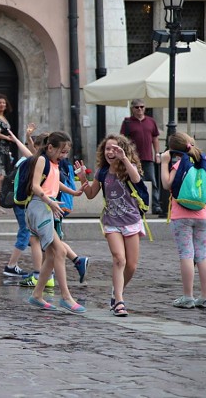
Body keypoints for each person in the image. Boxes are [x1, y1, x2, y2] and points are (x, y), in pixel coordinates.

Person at [160, 132, 206, 309]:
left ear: (174, 149)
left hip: (181, 215)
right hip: (203, 214)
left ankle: (188, 296)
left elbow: (166, 184)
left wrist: (163, 163)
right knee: (201, 255)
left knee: (186, 254)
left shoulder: (179, 163)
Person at [75, 134, 145, 317]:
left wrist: (125, 159)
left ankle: (116, 291)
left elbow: (137, 180)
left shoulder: (129, 168)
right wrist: (83, 178)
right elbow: (90, 194)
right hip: (111, 221)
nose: (110, 152)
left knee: (132, 266)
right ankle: (119, 301)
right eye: (107, 148)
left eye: (115, 148)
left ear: (123, 149)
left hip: (131, 221)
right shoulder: (102, 172)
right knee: (119, 259)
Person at [24, 131, 86, 314]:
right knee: (58, 251)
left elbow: (54, 183)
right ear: (50, 147)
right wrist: (50, 201)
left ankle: (37, 295)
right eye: (62, 152)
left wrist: (73, 192)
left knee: (52, 255)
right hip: (40, 207)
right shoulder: (42, 160)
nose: (64, 156)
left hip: (47, 208)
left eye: (66, 152)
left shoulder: (53, 163)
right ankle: (66, 297)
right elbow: (35, 186)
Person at [2, 124, 42, 279]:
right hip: (22, 203)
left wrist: (21, 138)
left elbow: (29, 150)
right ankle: (11, 266)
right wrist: (24, 138)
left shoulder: (29, 160)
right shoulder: (34, 161)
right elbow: (31, 151)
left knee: (30, 235)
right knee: (26, 233)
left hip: (20, 202)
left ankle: (41, 268)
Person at [120, 98, 162, 214]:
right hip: (133, 159)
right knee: (136, 181)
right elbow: (122, 140)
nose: (140, 109)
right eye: (137, 107)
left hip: (148, 157)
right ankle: (138, 203)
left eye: (142, 107)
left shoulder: (151, 121)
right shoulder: (127, 122)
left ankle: (155, 205)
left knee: (152, 181)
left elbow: (155, 138)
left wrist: (157, 154)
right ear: (132, 109)